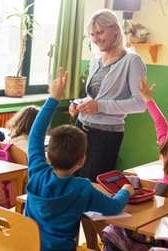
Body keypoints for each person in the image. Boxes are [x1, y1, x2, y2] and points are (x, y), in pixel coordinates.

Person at [26, 68, 134, 251]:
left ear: (48, 152)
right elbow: (114, 208)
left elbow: (35, 135)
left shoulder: (37, 171)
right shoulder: (81, 188)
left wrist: (53, 98)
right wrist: (125, 191)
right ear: (82, 161)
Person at [69, 9, 147, 181]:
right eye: (92, 34)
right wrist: (78, 103)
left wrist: (100, 107)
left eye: (100, 32)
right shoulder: (95, 59)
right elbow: (94, 97)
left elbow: (140, 104)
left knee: (91, 184)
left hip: (105, 135)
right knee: (69, 180)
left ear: (115, 30)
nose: (96, 38)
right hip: (80, 128)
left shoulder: (132, 61)